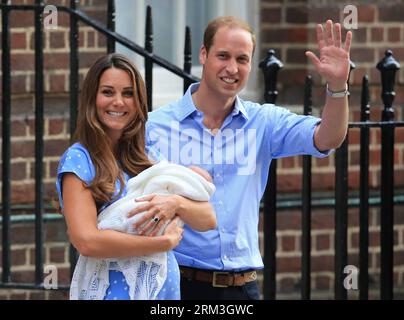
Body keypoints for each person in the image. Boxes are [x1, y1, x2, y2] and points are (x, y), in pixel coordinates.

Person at [138, 16, 352, 300]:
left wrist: (337, 87)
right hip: (177, 285)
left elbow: (327, 138)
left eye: (242, 59)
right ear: (203, 54)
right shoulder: (155, 126)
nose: (232, 68)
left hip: (243, 288)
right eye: (223, 56)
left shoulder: (263, 121)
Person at [56, 53, 216, 300]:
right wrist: (161, 244)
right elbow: (87, 241)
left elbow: (208, 218)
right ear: (92, 98)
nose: (118, 102)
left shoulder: (148, 154)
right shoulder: (79, 160)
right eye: (108, 92)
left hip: (163, 289)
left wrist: (176, 204)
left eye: (128, 94)